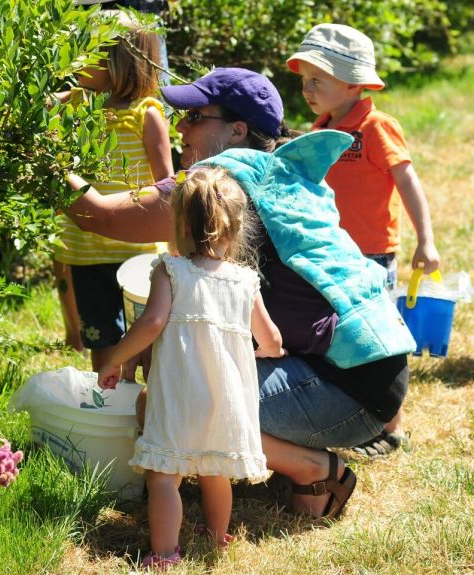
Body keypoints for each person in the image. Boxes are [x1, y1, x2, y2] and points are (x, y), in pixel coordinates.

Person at [63, 68, 415, 524]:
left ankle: (314, 467)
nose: (180, 128)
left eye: (194, 116)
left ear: (237, 130)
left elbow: (100, 218)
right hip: (374, 378)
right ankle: (286, 455)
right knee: (177, 375)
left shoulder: (221, 187)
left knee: (173, 400)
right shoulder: (283, 171)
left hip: (347, 392)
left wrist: (38, 158)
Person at [97, 167, 285, 568]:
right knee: (215, 471)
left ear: (180, 224)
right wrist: (263, 351)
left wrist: (114, 358)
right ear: (234, 228)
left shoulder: (172, 270)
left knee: (164, 475)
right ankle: (219, 537)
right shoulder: (244, 280)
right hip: (225, 399)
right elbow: (271, 338)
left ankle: (165, 554)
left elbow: (150, 324)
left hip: (180, 394)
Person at [286, 23, 440, 457]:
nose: (308, 88)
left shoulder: (375, 126)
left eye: (319, 79)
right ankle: (350, 414)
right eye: (304, 79)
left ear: (354, 82)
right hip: (330, 251)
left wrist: (425, 240)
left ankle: (391, 425)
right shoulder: (320, 126)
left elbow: (408, 182)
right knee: (341, 337)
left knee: (378, 338)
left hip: (371, 253)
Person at [52, 12, 173, 370]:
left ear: (119, 60)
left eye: (89, 50)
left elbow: (166, 186)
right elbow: (34, 108)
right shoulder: (76, 103)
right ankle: (104, 405)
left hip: (137, 252)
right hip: (86, 251)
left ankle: (143, 409)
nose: (79, 58)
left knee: (146, 340)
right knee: (100, 339)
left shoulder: (145, 113)